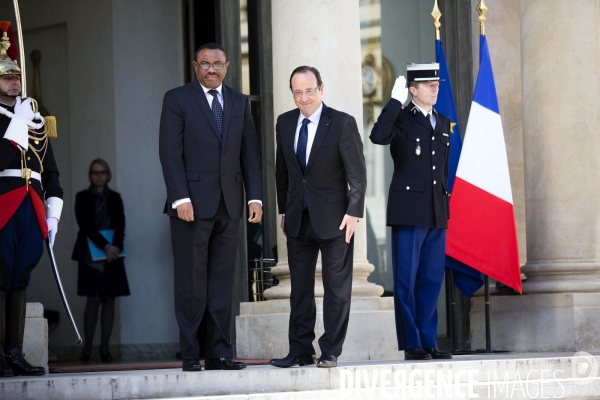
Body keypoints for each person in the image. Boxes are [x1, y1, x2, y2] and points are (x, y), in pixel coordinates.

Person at [159, 42, 262, 372]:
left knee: (222, 283)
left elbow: (249, 155)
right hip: (190, 206)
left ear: (228, 66)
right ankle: (191, 354)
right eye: (205, 64)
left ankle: (219, 354)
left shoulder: (239, 102)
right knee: (191, 283)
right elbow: (170, 153)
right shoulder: (177, 99)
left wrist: (254, 197)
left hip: (230, 205)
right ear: (195, 66)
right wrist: (180, 198)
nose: (212, 69)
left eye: (218, 64)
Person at [270, 66, 367, 369]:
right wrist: (284, 211)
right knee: (299, 290)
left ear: (321, 89)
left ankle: (329, 351)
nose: (304, 97)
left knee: (336, 290)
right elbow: (282, 172)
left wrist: (354, 213)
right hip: (298, 220)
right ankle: (299, 350)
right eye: (297, 92)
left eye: (309, 90)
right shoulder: (284, 123)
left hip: (337, 220)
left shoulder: (341, 123)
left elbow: (358, 175)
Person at [369, 63, 452, 361]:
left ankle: (429, 340)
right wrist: (393, 102)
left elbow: (442, 169)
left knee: (430, 279)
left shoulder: (442, 121)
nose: (434, 87)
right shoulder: (402, 118)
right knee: (406, 278)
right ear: (412, 90)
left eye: (436, 83)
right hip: (408, 209)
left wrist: (444, 204)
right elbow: (377, 136)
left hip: (435, 209)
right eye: (427, 84)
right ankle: (412, 343)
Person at [0, 22, 62, 377]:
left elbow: (50, 174)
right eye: (7, 77)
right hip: (3, 205)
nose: (15, 82)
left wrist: (53, 214)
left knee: (20, 279)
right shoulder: (14, 121)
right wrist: (16, 126)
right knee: (1, 276)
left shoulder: (34, 122)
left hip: (31, 207)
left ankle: (14, 353)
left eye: (16, 77)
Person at [72, 159, 130, 363]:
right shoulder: (82, 197)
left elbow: (121, 224)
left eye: (102, 172)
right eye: (95, 172)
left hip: (113, 255)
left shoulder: (115, 197)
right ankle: (87, 347)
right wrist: (105, 246)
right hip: (90, 254)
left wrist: (113, 247)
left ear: (108, 175)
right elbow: (85, 225)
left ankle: (105, 348)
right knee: (93, 299)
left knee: (109, 299)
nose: (99, 175)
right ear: (90, 175)